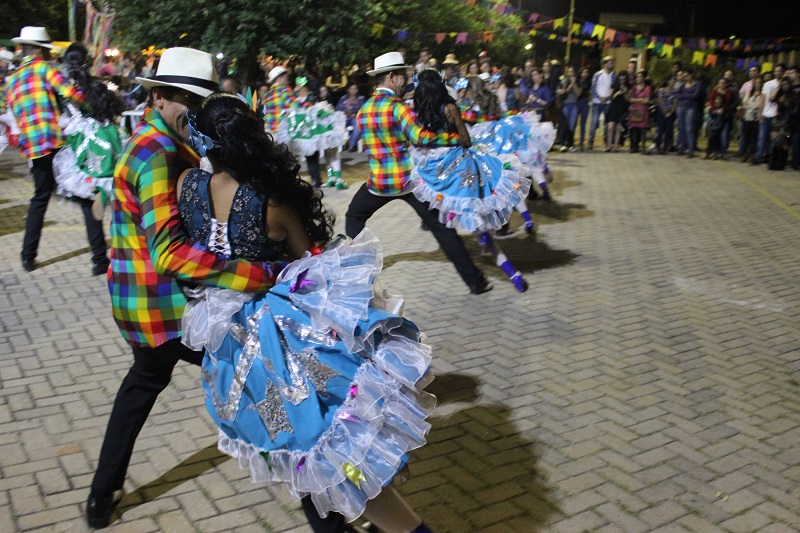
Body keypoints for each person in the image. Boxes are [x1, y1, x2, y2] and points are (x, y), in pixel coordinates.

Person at [86, 47, 286, 530]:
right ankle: (313, 477)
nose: (189, 112)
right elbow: (170, 253)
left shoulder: (153, 142)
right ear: (156, 96)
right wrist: (259, 276)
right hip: (168, 309)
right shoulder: (157, 153)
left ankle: (101, 495)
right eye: (180, 99)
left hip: (137, 306)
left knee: (144, 383)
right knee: (264, 376)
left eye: (197, 102)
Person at [345, 52, 492, 295]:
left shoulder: (363, 110)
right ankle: (476, 282)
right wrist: (455, 137)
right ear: (391, 77)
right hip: (410, 181)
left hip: (379, 183)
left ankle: (360, 266)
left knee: (354, 215)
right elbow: (420, 138)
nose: (406, 81)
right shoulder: (397, 107)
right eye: (403, 76)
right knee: (443, 230)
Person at [410, 70, 532, 291]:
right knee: (482, 219)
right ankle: (512, 273)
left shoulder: (418, 111)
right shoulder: (450, 107)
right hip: (461, 167)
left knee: (449, 210)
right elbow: (465, 139)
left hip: (434, 169)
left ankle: (460, 224)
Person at [4, 26, 106, 274]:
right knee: (85, 195)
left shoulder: (13, 80)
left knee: (39, 198)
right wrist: (89, 104)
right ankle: (99, 260)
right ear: (39, 51)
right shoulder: (44, 69)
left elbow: (11, 113)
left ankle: (28, 257)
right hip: (57, 143)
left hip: (34, 149)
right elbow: (70, 93)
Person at [52, 43, 126, 223]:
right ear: (87, 61)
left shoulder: (63, 89)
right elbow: (116, 108)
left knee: (84, 178)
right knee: (114, 172)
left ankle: (95, 192)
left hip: (79, 137)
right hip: (105, 134)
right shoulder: (96, 85)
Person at [589, 56, 616, 150]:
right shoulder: (598, 74)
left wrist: (607, 97)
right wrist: (599, 97)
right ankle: (590, 142)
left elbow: (613, 88)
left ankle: (606, 142)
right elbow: (593, 88)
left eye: (612, 63)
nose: (611, 64)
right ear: (605, 64)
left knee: (607, 124)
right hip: (597, 102)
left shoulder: (613, 76)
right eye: (610, 62)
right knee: (594, 121)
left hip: (608, 102)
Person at [675, 69, 700, 157]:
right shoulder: (683, 85)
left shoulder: (697, 84)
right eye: (684, 76)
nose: (685, 77)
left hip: (691, 108)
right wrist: (686, 96)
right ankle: (682, 148)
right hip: (681, 107)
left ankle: (691, 149)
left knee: (689, 128)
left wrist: (683, 96)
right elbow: (677, 94)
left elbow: (695, 96)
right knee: (681, 128)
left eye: (687, 76)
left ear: (691, 75)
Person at [627, 70, 651, 154]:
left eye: (640, 76)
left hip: (643, 110)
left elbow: (647, 100)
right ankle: (634, 147)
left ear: (644, 78)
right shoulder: (634, 88)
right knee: (634, 129)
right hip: (635, 110)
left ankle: (643, 147)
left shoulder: (647, 88)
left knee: (642, 129)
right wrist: (641, 99)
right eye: (637, 77)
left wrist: (636, 100)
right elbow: (630, 99)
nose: (638, 78)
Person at [336, 82, 366, 152]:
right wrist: (345, 110)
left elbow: (364, 108)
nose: (353, 90)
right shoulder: (343, 98)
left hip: (355, 117)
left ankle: (351, 145)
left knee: (357, 125)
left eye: (355, 89)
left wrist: (353, 111)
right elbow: (338, 108)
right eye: (351, 89)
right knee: (337, 125)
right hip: (344, 117)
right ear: (348, 90)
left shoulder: (361, 98)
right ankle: (341, 144)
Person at [557, 66, 580, 152]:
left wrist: (575, 85)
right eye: (569, 72)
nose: (571, 74)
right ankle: (563, 144)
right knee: (564, 124)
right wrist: (571, 85)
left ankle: (570, 144)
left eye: (572, 72)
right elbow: (564, 92)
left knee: (572, 125)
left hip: (574, 105)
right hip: (566, 104)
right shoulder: (564, 81)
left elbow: (578, 94)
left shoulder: (578, 82)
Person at [605, 71, 630, 152]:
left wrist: (625, 92)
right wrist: (617, 94)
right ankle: (609, 145)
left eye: (623, 78)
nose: (622, 80)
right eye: (620, 78)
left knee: (619, 127)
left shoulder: (628, 86)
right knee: (610, 126)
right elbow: (610, 97)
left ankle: (615, 146)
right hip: (613, 106)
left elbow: (628, 100)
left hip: (622, 108)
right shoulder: (614, 85)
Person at [654, 77, 678, 155]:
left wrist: (671, 112)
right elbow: (660, 101)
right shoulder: (662, 90)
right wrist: (665, 112)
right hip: (662, 112)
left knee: (668, 130)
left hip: (670, 112)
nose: (673, 81)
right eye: (672, 79)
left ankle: (665, 147)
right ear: (668, 81)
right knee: (660, 130)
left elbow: (675, 102)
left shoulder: (674, 92)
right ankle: (658, 146)